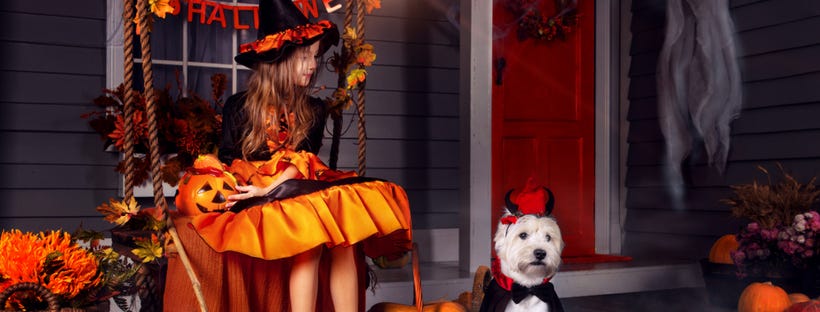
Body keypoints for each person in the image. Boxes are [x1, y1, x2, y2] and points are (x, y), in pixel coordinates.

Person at [186, 0, 413, 311]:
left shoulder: (313, 110)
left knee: (341, 237)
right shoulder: (240, 107)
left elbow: (303, 162)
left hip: (295, 186)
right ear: (279, 60)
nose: (311, 65)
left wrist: (274, 186)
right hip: (254, 193)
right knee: (310, 238)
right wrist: (259, 189)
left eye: (315, 57)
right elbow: (229, 159)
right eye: (304, 56)